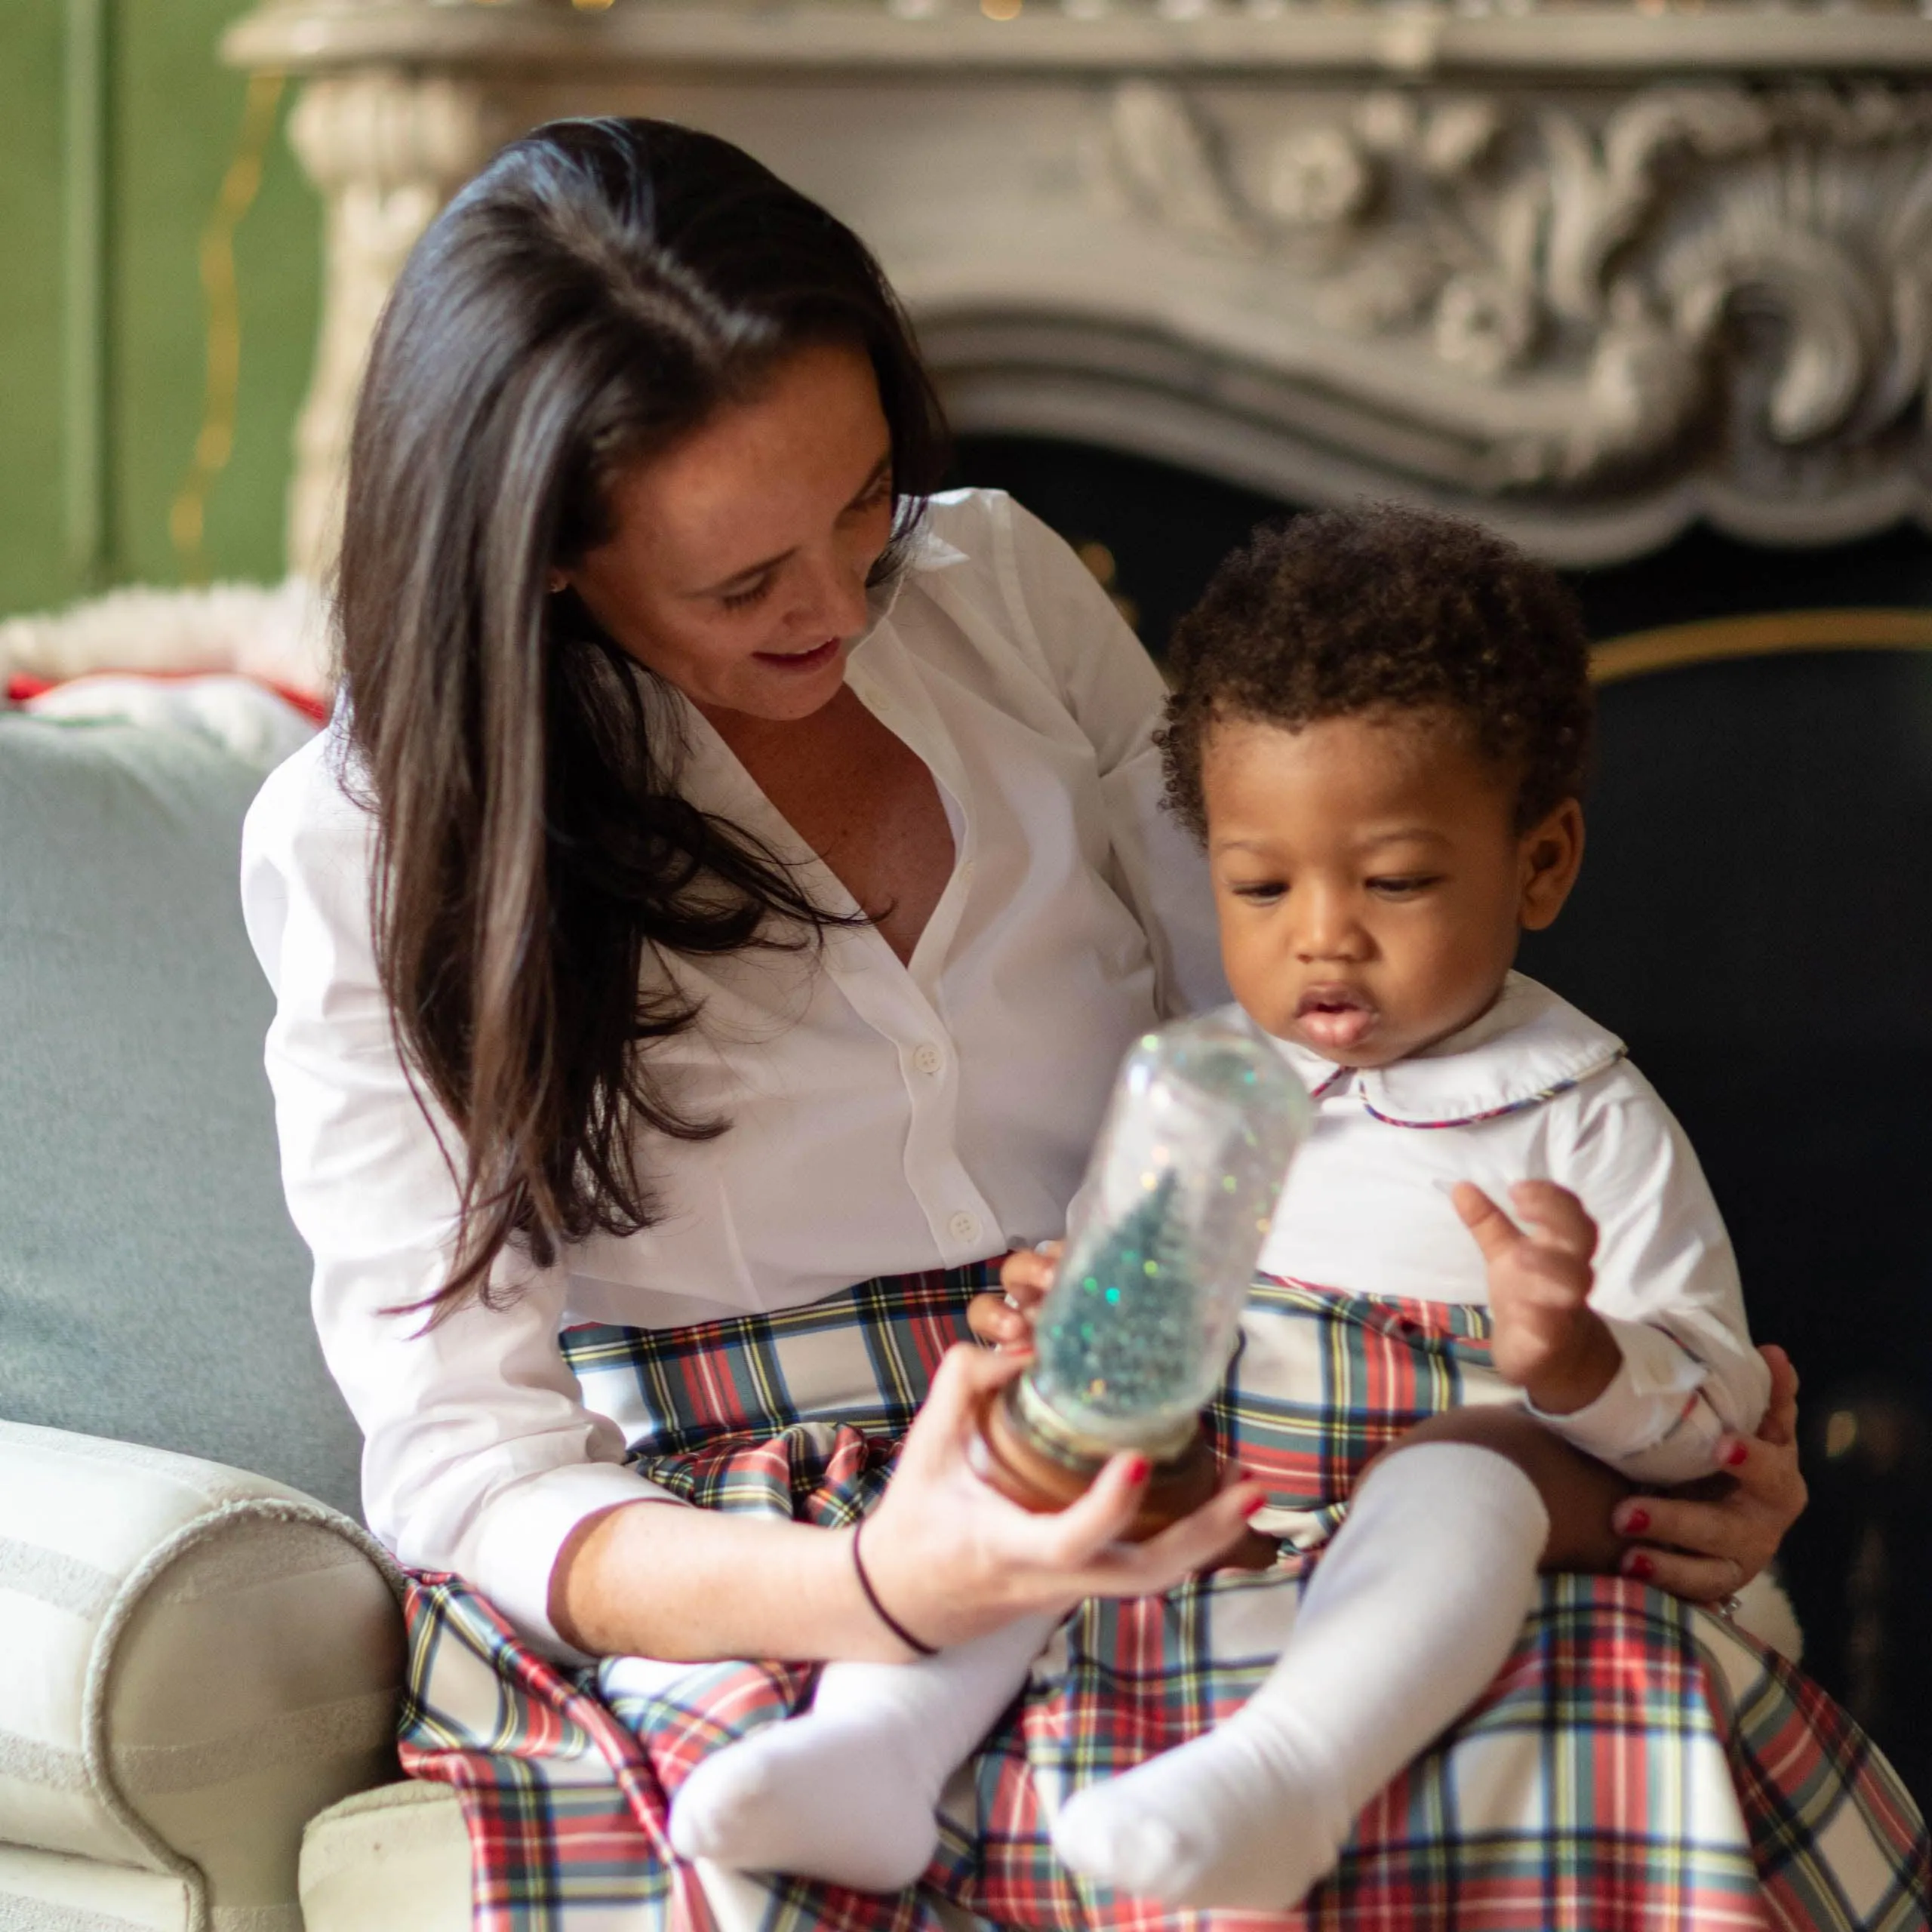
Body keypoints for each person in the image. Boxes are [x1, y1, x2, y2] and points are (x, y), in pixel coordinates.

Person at [238, 117, 1916, 1930]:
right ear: (543, 557)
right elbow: (461, 1453)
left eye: (862, 496)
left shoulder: (1000, 591)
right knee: (957, 1816)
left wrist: (1607, 1450)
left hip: (1176, 1389)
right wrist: (882, 1582)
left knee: (1591, 1695)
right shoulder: (372, 839)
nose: (839, 600)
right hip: (754, 1535)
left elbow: (1292, 1054)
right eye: (742, 583)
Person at [667, 506, 1774, 1910]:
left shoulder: (1579, 1110)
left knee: (1461, 1474)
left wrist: (1583, 1363)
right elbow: (1132, 1288)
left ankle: (1289, 1782)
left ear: (1539, 865)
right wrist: (1074, 1304)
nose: (1324, 933)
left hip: (1456, 1508)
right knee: (1046, 1442)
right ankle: (880, 1749)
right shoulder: (1204, 1085)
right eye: (1260, 886)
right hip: (1226, 1493)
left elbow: (1720, 1417)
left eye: (1396, 882)